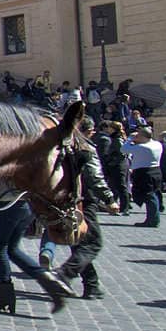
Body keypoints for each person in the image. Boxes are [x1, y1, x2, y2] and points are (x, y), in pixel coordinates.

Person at [55, 122, 119, 300]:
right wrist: (109, 199)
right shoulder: (84, 147)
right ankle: (64, 274)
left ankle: (91, 285)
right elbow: (94, 176)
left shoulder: (58, 145)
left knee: (79, 242)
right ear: (88, 131)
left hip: (62, 198)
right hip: (83, 199)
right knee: (92, 243)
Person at [0, 198, 71, 314]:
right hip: (26, 205)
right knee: (12, 249)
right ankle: (52, 284)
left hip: (8, 202)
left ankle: (4, 296)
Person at [125, 126, 163, 227]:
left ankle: (153, 220)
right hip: (156, 170)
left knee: (149, 196)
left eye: (138, 135)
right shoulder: (157, 144)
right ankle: (153, 218)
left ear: (143, 136)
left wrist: (130, 138)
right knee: (153, 195)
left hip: (144, 172)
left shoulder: (142, 147)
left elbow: (123, 149)